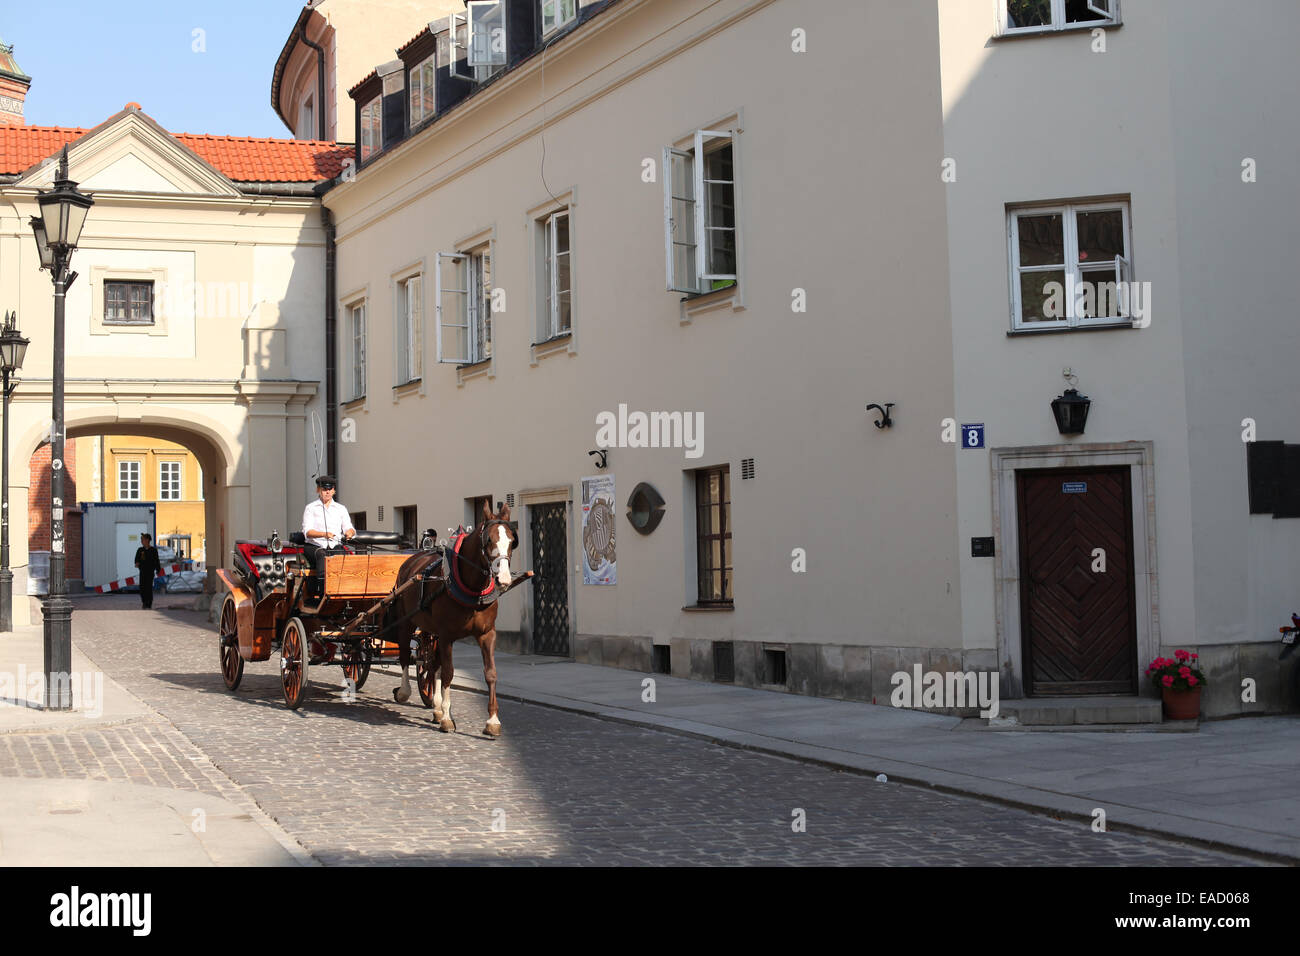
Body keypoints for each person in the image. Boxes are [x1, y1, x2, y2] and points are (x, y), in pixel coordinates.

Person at [301, 475, 355, 597]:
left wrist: (349, 533)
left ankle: (344, 591)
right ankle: (322, 593)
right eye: (324, 489)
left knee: (341, 554)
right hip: (315, 545)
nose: (327, 492)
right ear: (318, 490)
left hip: (334, 545)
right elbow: (307, 531)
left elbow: (348, 527)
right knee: (322, 554)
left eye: (330, 489)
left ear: (334, 491)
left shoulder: (341, 509)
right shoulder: (311, 508)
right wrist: (323, 534)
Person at [133, 533, 162, 609]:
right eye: (141, 540)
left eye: (143, 539)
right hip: (142, 572)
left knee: (148, 588)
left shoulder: (153, 550)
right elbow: (136, 559)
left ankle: (148, 603)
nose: (141, 541)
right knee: (142, 588)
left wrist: (158, 569)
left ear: (147, 540)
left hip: (150, 572)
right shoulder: (140, 550)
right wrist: (137, 563)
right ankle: (144, 602)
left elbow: (156, 560)